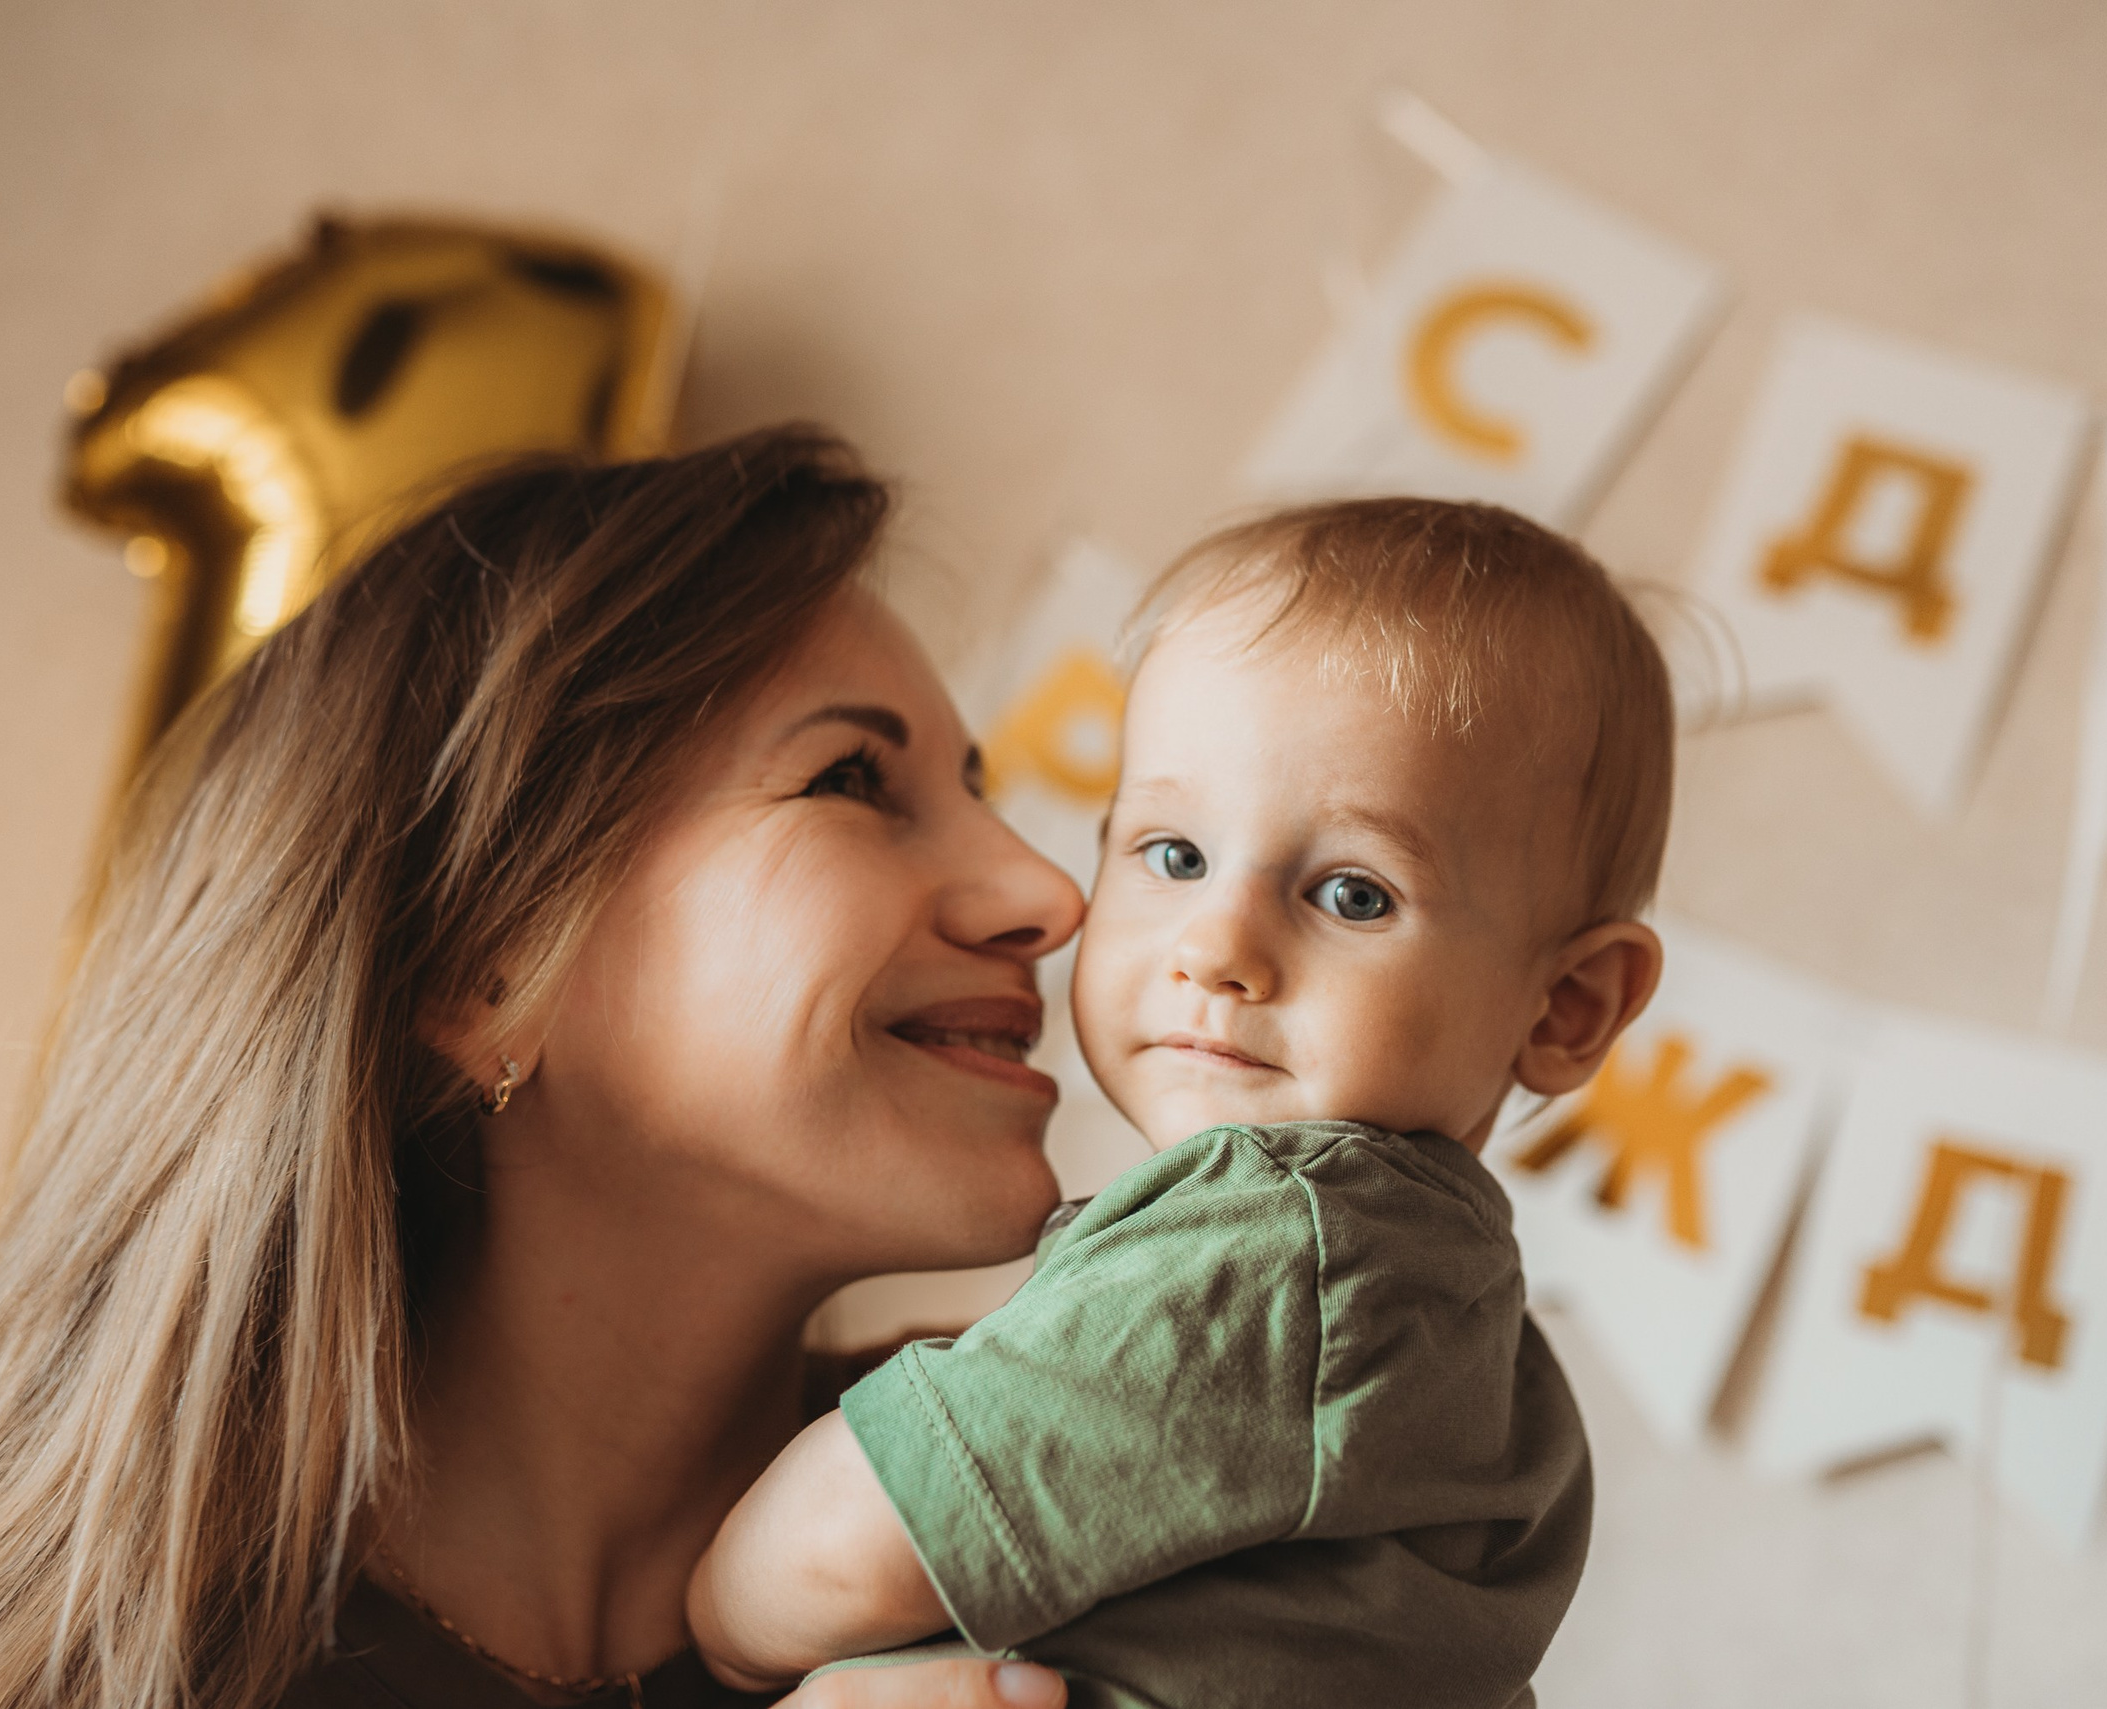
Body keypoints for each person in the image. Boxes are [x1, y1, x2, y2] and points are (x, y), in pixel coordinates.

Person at [0, 426, 1082, 1709]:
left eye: (978, 792)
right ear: (482, 967)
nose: (1045, 892)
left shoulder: (1094, 1517)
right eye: (852, 781)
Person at [687, 499, 1674, 1709]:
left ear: (1567, 1005)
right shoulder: (1451, 1319)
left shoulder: (1286, 1248)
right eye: (1173, 855)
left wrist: (723, 1623)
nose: (1217, 945)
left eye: (1354, 893)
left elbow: (847, 1543)